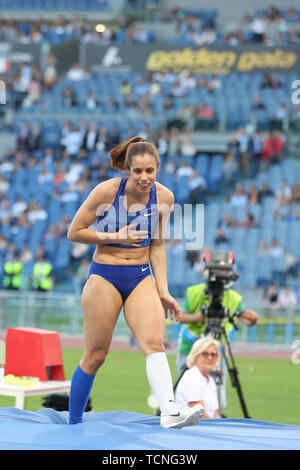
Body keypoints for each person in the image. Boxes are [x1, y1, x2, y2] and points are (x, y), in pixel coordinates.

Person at [67, 136, 204, 428]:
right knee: (95, 356)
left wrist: (163, 290)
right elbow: (75, 232)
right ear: (127, 169)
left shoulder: (164, 198)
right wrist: (116, 236)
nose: (144, 177)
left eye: (150, 171)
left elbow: (157, 247)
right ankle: (73, 423)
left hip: (140, 276)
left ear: (158, 169)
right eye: (137, 171)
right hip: (105, 275)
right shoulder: (105, 192)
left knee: (154, 343)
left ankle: (169, 411)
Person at [176, 264, 258, 410]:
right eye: (218, 270)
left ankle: (215, 415)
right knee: (187, 391)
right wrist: (199, 317)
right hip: (190, 349)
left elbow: (246, 318)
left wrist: (251, 318)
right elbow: (179, 316)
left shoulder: (234, 298)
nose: (221, 274)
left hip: (216, 351)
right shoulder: (195, 292)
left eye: (225, 271)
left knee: (216, 396)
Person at [175, 337, 221, 419]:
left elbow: (215, 413)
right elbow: (200, 414)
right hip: (193, 428)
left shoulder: (210, 380)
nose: (210, 358)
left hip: (207, 426)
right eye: (205, 354)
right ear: (195, 356)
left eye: (213, 354)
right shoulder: (192, 377)